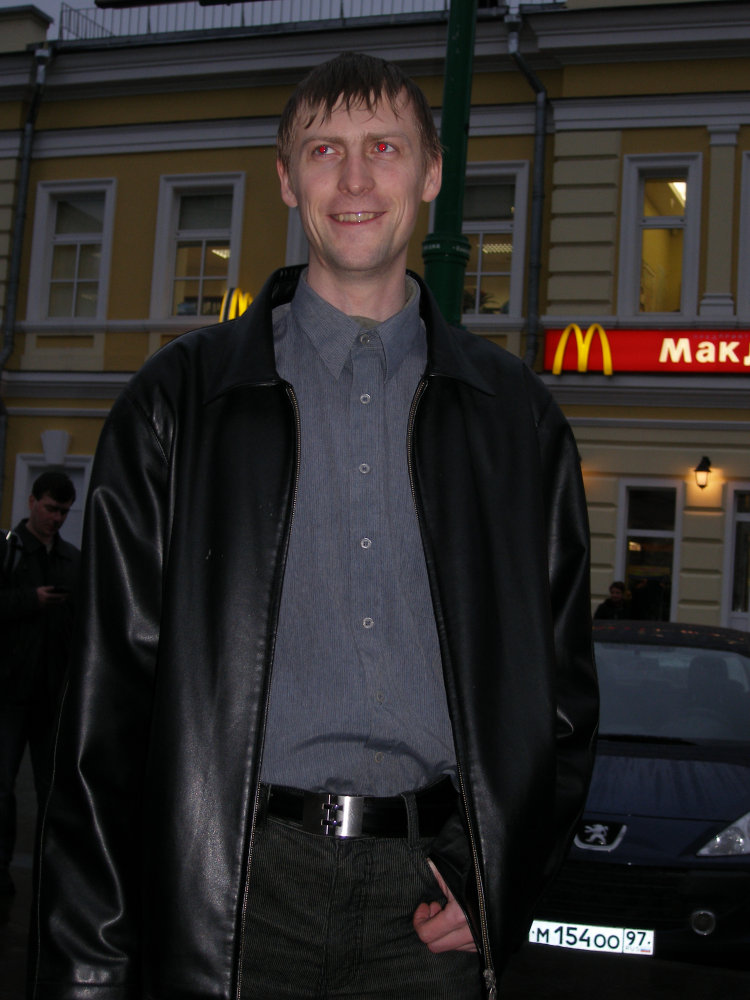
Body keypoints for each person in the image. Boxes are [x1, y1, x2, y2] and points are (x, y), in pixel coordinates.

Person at [30, 53, 598, 1000]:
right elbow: (103, 719)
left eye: (385, 148)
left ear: (432, 172)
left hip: (431, 911)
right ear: (288, 179)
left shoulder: (518, 422)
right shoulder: (177, 406)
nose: (356, 179)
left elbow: (563, 697)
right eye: (325, 150)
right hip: (233, 894)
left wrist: (502, 872)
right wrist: (89, 970)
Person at [0, 471, 79, 897]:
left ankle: (50, 882)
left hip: (51, 697)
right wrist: (31, 600)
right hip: (10, 693)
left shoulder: (71, 559)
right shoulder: (8, 551)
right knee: (2, 789)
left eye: (63, 511)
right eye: (51, 508)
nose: (56, 518)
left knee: (52, 793)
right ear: (32, 501)